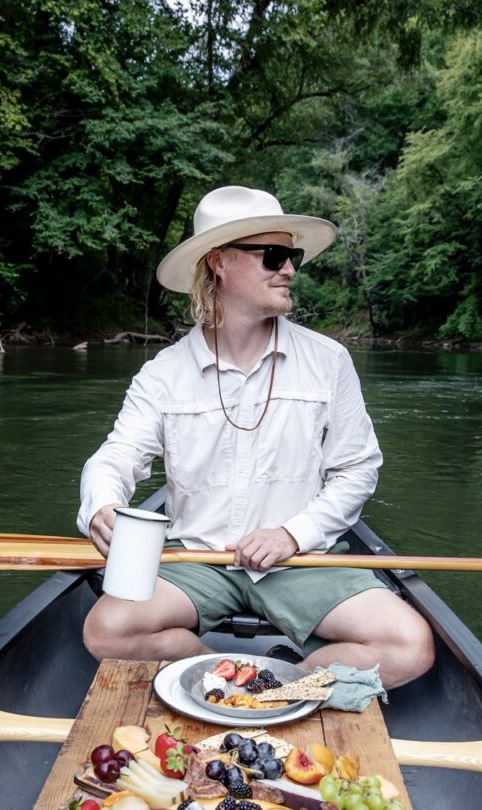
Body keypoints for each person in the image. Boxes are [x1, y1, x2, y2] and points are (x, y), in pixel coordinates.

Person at [78, 185, 434, 687]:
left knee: (409, 645)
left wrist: (292, 534)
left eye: (292, 256)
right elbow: (116, 457)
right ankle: (220, 675)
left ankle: (278, 687)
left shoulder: (329, 361)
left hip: (301, 560)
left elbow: (357, 469)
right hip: (196, 558)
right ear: (219, 263)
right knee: (108, 632)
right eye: (273, 255)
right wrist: (101, 504)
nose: (288, 268)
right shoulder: (162, 374)